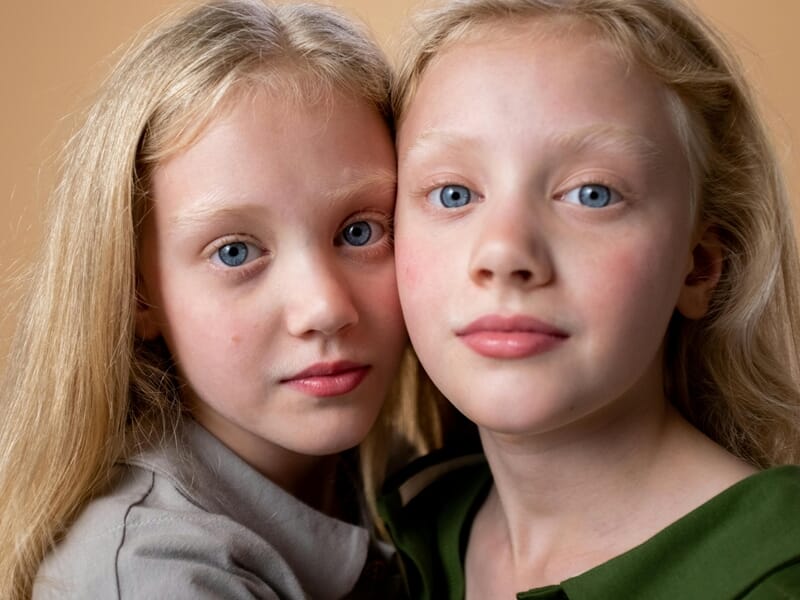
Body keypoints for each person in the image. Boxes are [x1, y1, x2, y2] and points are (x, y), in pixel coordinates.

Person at [0, 1, 442, 598]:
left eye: (360, 231)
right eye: (235, 252)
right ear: (138, 293)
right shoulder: (154, 573)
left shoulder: (405, 478)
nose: (324, 308)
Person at [379, 0, 800, 598]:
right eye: (452, 194)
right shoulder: (409, 527)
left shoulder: (776, 572)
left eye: (593, 194)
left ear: (700, 268)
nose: (504, 251)